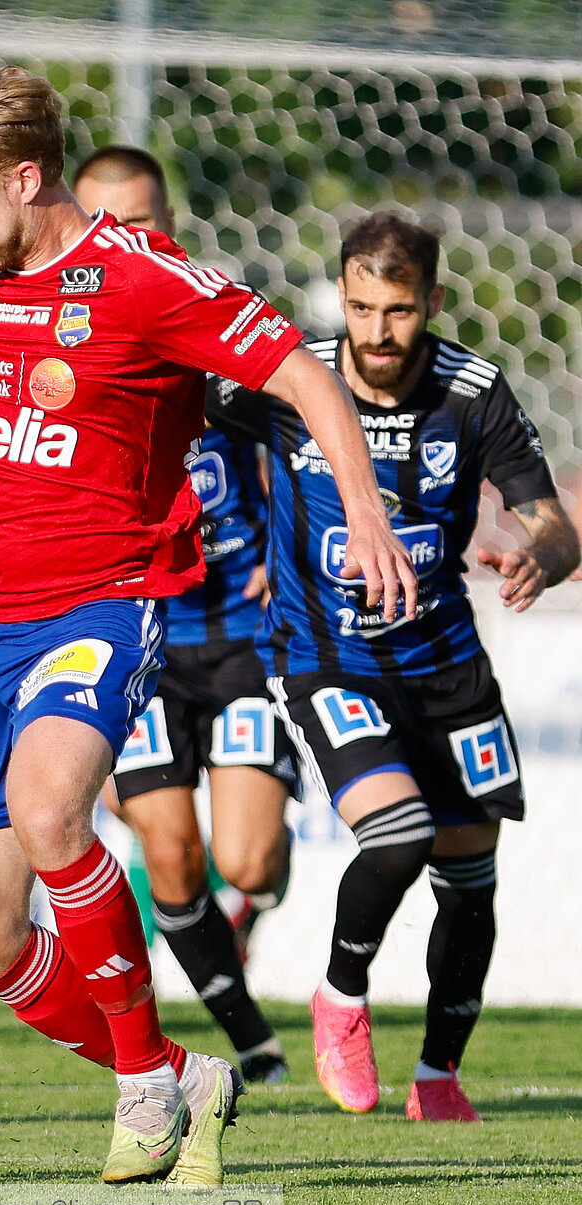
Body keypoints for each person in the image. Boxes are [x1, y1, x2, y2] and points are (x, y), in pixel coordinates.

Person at [0, 66, 416, 1185]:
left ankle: (142, 1086)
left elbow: (306, 376)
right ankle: (184, 1080)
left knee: (51, 811)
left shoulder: (145, 279)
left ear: (24, 176)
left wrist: (369, 520)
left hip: (101, 605)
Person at [210, 211, 579, 1121]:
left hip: (446, 665)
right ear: (341, 296)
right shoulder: (291, 374)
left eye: (400, 310)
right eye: (361, 307)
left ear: (434, 302)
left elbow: (552, 521)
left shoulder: (473, 392)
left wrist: (546, 555)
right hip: (325, 659)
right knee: (398, 834)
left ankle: (438, 1077)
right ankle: (340, 996)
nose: (377, 332)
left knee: (471, 875)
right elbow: (181, 400)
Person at [74, 147, 293, 1084]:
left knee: (246, 862)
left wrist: (293, 559)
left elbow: (302, 431)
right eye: (105, 221)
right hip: (142, 638)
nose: (125, 238)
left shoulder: (211, 322)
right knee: (170, 857)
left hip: (242, 640)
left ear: (167, 220)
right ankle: (253, 1043)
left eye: (141, 220)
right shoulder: (59, 343)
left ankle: (236, 927)